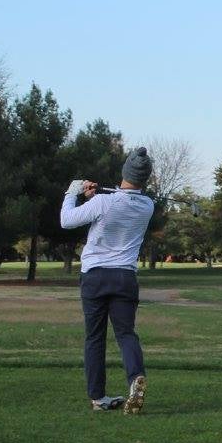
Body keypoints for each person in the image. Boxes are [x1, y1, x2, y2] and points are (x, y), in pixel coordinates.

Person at [61, 147, 156, 414]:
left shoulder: (105, 201)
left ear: (125, 171)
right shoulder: (148, 205)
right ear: (145, 178)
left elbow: (66, 220)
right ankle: (135, 376)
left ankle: (97, 397)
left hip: (95, 276)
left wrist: (73, 193)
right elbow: (120, 203)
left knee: (95, 337)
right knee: (126, 333)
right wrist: (93, 197)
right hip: (125, 277)